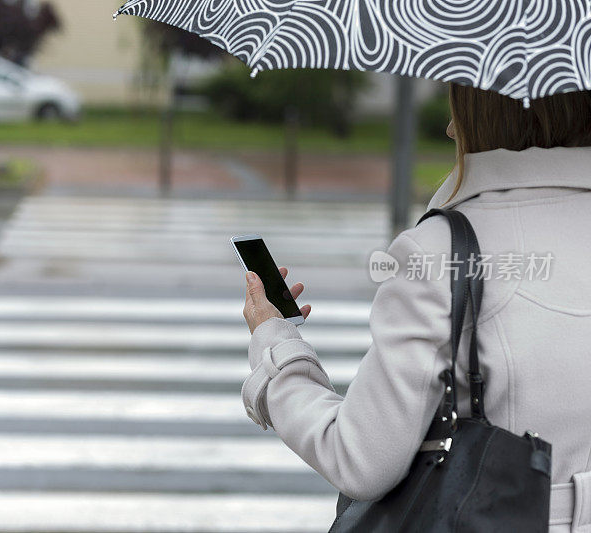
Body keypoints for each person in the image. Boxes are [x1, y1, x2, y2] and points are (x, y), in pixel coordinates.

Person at [241, 83, 591, 532]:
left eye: (455, 97)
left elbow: (361, 458)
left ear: (480, 110)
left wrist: (275, 342)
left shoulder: (441, 253)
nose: (448, 125)